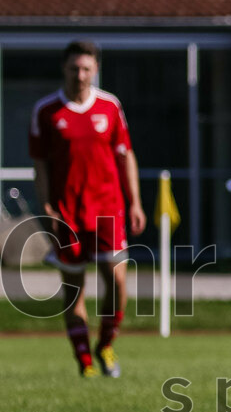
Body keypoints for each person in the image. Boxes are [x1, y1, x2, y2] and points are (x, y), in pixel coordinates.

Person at [30, 40, 146, 378]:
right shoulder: (47, 111)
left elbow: (126, 155)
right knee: (74, 287)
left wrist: (135, 201)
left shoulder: (110, 106)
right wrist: (48, 207)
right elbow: (40, 164)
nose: (79, 75)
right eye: (73, 69)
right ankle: (84, 360)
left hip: (109, 207)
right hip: (68, 212)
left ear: (95, 70)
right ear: (63, 69)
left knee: (118, 280)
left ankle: (106, 344)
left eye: (86, 69)